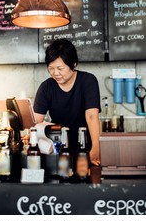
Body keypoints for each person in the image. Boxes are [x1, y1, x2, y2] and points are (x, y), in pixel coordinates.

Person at [33, 39, 101, 167]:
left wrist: (96, 148)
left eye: (60, 68)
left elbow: (92, 116)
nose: (55, 73)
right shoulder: (46, 87)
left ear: (73, 64)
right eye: (51, 68)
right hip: (57, 148)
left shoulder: (88, 81)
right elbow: (36, 121)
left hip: (85, 146)